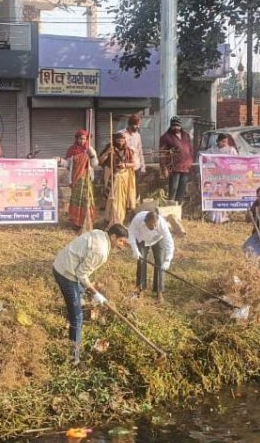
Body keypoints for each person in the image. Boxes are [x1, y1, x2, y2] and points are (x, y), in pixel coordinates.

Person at [52, 224, 129, 364]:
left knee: (79, 293)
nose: (123, 246)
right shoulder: (101, 251)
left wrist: (89, 288)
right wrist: (96, 293)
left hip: (60, 264)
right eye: (121, 241)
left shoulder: (99, 233)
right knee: (78, 317)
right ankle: (73, 358)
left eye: (125, 243)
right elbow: (81, 274)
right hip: (66, 275)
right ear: (113, 236)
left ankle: (70, 317)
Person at [128, 211, 174, 303]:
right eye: (152, 225)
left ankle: (159, 291)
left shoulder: (162, 224)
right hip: (141, 239)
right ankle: (141, 289)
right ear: (145, 222)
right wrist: (135, 250)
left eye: (155, 225)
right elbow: (131, 233)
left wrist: (168, 259)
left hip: (158, 239)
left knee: (160, 263)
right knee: (141, 262)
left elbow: (169, 242)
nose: (155, 227)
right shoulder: (138, 219)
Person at [99, 132, 135, 225]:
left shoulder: (128, 151)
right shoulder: (109, 148)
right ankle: (109, 218)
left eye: (122, 140)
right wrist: (108, 152)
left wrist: (125, 165)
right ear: (114, 140)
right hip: (111, 176)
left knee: (121, 200)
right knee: (112, 198)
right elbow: (100, 160)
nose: (120, 142)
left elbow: (133, 163)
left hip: (123, 178)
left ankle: (119, 219)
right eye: (118, 140)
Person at [65, 129, 99, 228]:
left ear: (86, 139)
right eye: (80, 139)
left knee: (86, 199)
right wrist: (59, 160)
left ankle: (87, 220)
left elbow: (95, 164)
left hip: (86, 178)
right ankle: (76, 222)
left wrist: (92, 156)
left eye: (84, 139)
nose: (82, 141)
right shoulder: (72, 150)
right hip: (76, 178)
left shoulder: (89, 149)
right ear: (76, 139)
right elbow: (68, 164)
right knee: (76, 199)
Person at [159, 116, 193, 204]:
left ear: (181, 126)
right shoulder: (165, 137)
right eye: (173, 125)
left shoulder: (186, 135)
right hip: (174, 167)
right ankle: (171, 208)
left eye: (177, 125)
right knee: (173, 189)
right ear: (171, 126)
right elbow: (162, 153)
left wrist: (190, 161)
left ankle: (178, 209)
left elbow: (189, 149)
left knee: (182, 189)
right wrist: (164, 168)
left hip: (185, 166)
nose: (176, 127)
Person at [205, 134, 238, 224]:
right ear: (218, 141)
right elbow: (205, 159)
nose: (224, 144)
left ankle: (224, 217)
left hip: (226, 176)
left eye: (226, 142)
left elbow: (236, 161)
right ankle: (212, 217)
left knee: (225, 195)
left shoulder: (231, 150)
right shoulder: (211, 150)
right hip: (215, 177)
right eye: (223, 142)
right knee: (215, 194)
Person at [118, 114, 145, 201]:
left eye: (138, 125)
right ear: (130, 124)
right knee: (125, 187)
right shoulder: (121, 134)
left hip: (136, 166)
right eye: (136, 124)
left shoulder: (137, 135)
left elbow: (140, 151)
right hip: (125, 165)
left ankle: (134, 205)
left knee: (135, 187)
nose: (137, 126)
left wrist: (142, 166)